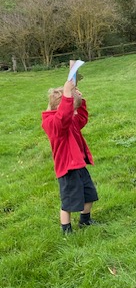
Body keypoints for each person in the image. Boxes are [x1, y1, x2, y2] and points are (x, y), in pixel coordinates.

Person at [42, 65, 98, 235]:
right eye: (72, 109)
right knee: (68, 203)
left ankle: (85, 220)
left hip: (79, 165)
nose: (74, 113)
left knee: (90, 195)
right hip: (67, 170)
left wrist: (80, 102)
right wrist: (67, 95)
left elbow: (81, 119)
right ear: (62, 108)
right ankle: (66, 230)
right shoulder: (53, 124)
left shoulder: (71, 119)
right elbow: (64, 117)